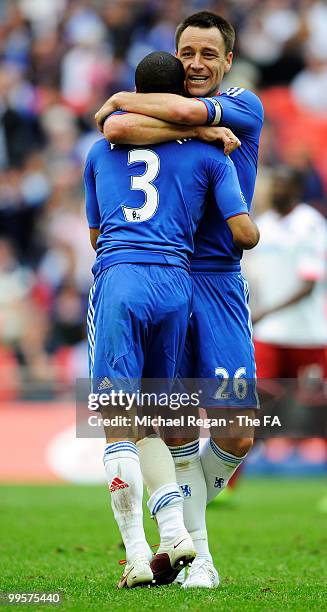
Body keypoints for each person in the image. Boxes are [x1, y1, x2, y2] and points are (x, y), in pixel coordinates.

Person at [95, 11, 264, 588]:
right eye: (186, 53)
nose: (196, 64)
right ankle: (198, 556)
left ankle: (178, 509)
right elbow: (119, 133)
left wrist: (123, 97)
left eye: (208, 55)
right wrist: (176, 126)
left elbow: (173, 116)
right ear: (175, 56)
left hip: (217, 278)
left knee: (238, 426)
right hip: (168, 272)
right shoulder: (158, 114)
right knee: (173, 426)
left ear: (227, 62)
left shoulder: (242, 103)